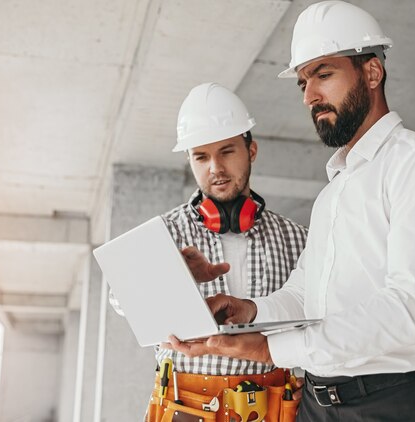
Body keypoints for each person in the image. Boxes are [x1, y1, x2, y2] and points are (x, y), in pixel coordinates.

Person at [165, 2, 415, 421]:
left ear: (372, 73)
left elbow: (410, 309)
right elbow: (306, 294)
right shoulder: (333, 193)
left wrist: (270, 348)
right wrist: (251, 311)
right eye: (302, 82)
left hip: (396, 401)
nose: (310, 96)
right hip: (318, 405)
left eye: (324, 74)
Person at [110, 82, 308, 422]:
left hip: (276, 405)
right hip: (188, 407)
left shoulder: (296, 238)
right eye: (201, 156)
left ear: (252, 150)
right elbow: (120, 298)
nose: (214, 167)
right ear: (190, 161)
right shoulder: (166, 233)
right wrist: (168, 276)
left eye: (227, 151)